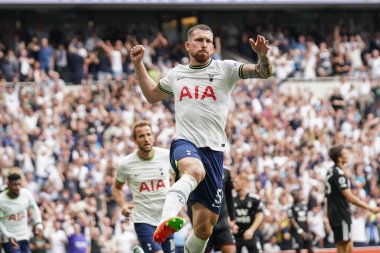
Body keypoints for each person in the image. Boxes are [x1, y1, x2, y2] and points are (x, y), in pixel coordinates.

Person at [130, 23, 271, 252]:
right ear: (187, 45)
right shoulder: (178, 74)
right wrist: (138, 65)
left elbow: (263, 72)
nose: (204, 44)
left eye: (208, 40)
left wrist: (263, 57)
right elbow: (151, 95)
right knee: (194, 170)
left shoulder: (225, 69)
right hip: (185, 143)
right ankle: (166, 220)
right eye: (199, 40)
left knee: (204, 229)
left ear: (213, 46)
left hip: (214, 152)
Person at [112, 120, 175, 253]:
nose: (146, 139)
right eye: (141, 136)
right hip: (143, 220)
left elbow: (180, 175)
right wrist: (123, 204)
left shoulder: (166, 155)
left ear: (153, 136)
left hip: (166, 219)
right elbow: (117, 188)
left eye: (148, 134)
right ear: (134, 140)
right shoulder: (126, 164)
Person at [325, 145, 380, 253]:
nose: (348, 155)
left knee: (349, 244)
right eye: (345, 154)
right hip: (340, 214)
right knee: (342, 247)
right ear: (340, 158)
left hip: (336, 212)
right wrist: (370, 207)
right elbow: (349, 197)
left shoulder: (331, 171)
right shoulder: (339, 174)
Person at [187, 167, 236, 253]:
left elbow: (229, 196)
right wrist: (193, 224)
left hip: (222, 222)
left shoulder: (226, 171)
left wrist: (233, 218)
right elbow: (191, 200)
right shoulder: (198, 170)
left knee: (230, 249)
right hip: (203, 223)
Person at [0, 173, 43, 253]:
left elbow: (34, 208)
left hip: (24, 236)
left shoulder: (26, 193)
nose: (17, 187)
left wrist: (38, 223)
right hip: (10, 239)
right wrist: (7, 235)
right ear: (8, 185)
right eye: (14, 185)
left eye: (19, 184)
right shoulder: (1, 200)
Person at [232, 173, 264, 253]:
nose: (234, 184)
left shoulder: (254, 198)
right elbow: (228, 215)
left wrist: (251, 230)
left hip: (251, 234)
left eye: (236, 182)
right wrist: (231, 225)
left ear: (244, 182)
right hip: (235, 235)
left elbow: (260, 216)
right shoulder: (232, 199)